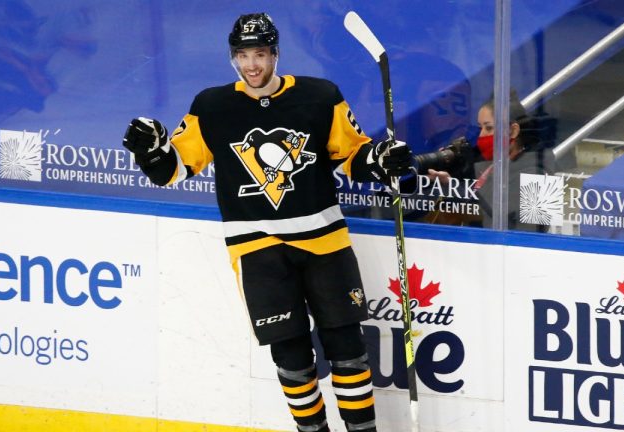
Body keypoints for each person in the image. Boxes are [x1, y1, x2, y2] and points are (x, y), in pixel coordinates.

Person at [122, 13, 412, 432]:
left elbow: (353, 156)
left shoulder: (319, 96)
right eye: (243, 55)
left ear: (275, 54)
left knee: (347, 348)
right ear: (233, 59)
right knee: (291, 357)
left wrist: (381, 159)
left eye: (260, 54)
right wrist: (150, 152)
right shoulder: (212, 106)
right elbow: (173, 168)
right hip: (257, 249)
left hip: (325, 245)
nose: (252, 65)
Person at [426, 91, 553, 230]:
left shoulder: (539, 174)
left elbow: (531, 236)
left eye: (489, 128)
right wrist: (451, 184)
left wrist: (457, 190)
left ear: (514, 131)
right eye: (481, 128)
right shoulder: (490, 165)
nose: (481, 135)